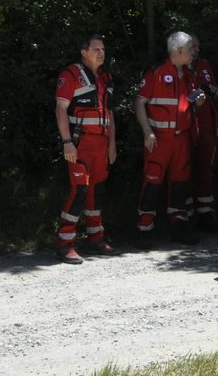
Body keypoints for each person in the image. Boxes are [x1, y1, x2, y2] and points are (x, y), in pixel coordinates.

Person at [54, 35, 119, 263]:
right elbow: (60, 109)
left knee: (97, 191)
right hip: (79, 143)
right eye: (96, 49)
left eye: (103, 48)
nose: (101, 52)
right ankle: (64, 243)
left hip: (101, 145)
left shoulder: (106, 78)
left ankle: (96, 238)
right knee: (79, 191)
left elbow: (110, 114)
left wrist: (112, 143)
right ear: (84, 52)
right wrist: (66, 142)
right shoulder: (70, 74)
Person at [134, 31, 201, 244]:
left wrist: (198, 100)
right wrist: (147, 131)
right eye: (190, 48)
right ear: (179, 51)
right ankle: (144, 230)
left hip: (182, 140)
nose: (194, 52)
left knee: (180, 184)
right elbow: (139, 103)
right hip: (159, 141)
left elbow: (188, 102)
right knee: (152, 183)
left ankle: (178, 228)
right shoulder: (156, 72)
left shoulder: (190, 75)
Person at [185, 36, 218, 233]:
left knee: (206, 171)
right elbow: (179, 98)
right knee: (185, 171)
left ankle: (207, 215)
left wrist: (212, 91)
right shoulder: (179, 67)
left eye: (198, 46)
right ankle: (188, 216)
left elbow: (217, 93)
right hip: (187, 127)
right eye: (192, 46)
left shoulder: (205, 65)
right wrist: (197, 94)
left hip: (207, 127)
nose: (196, 50)